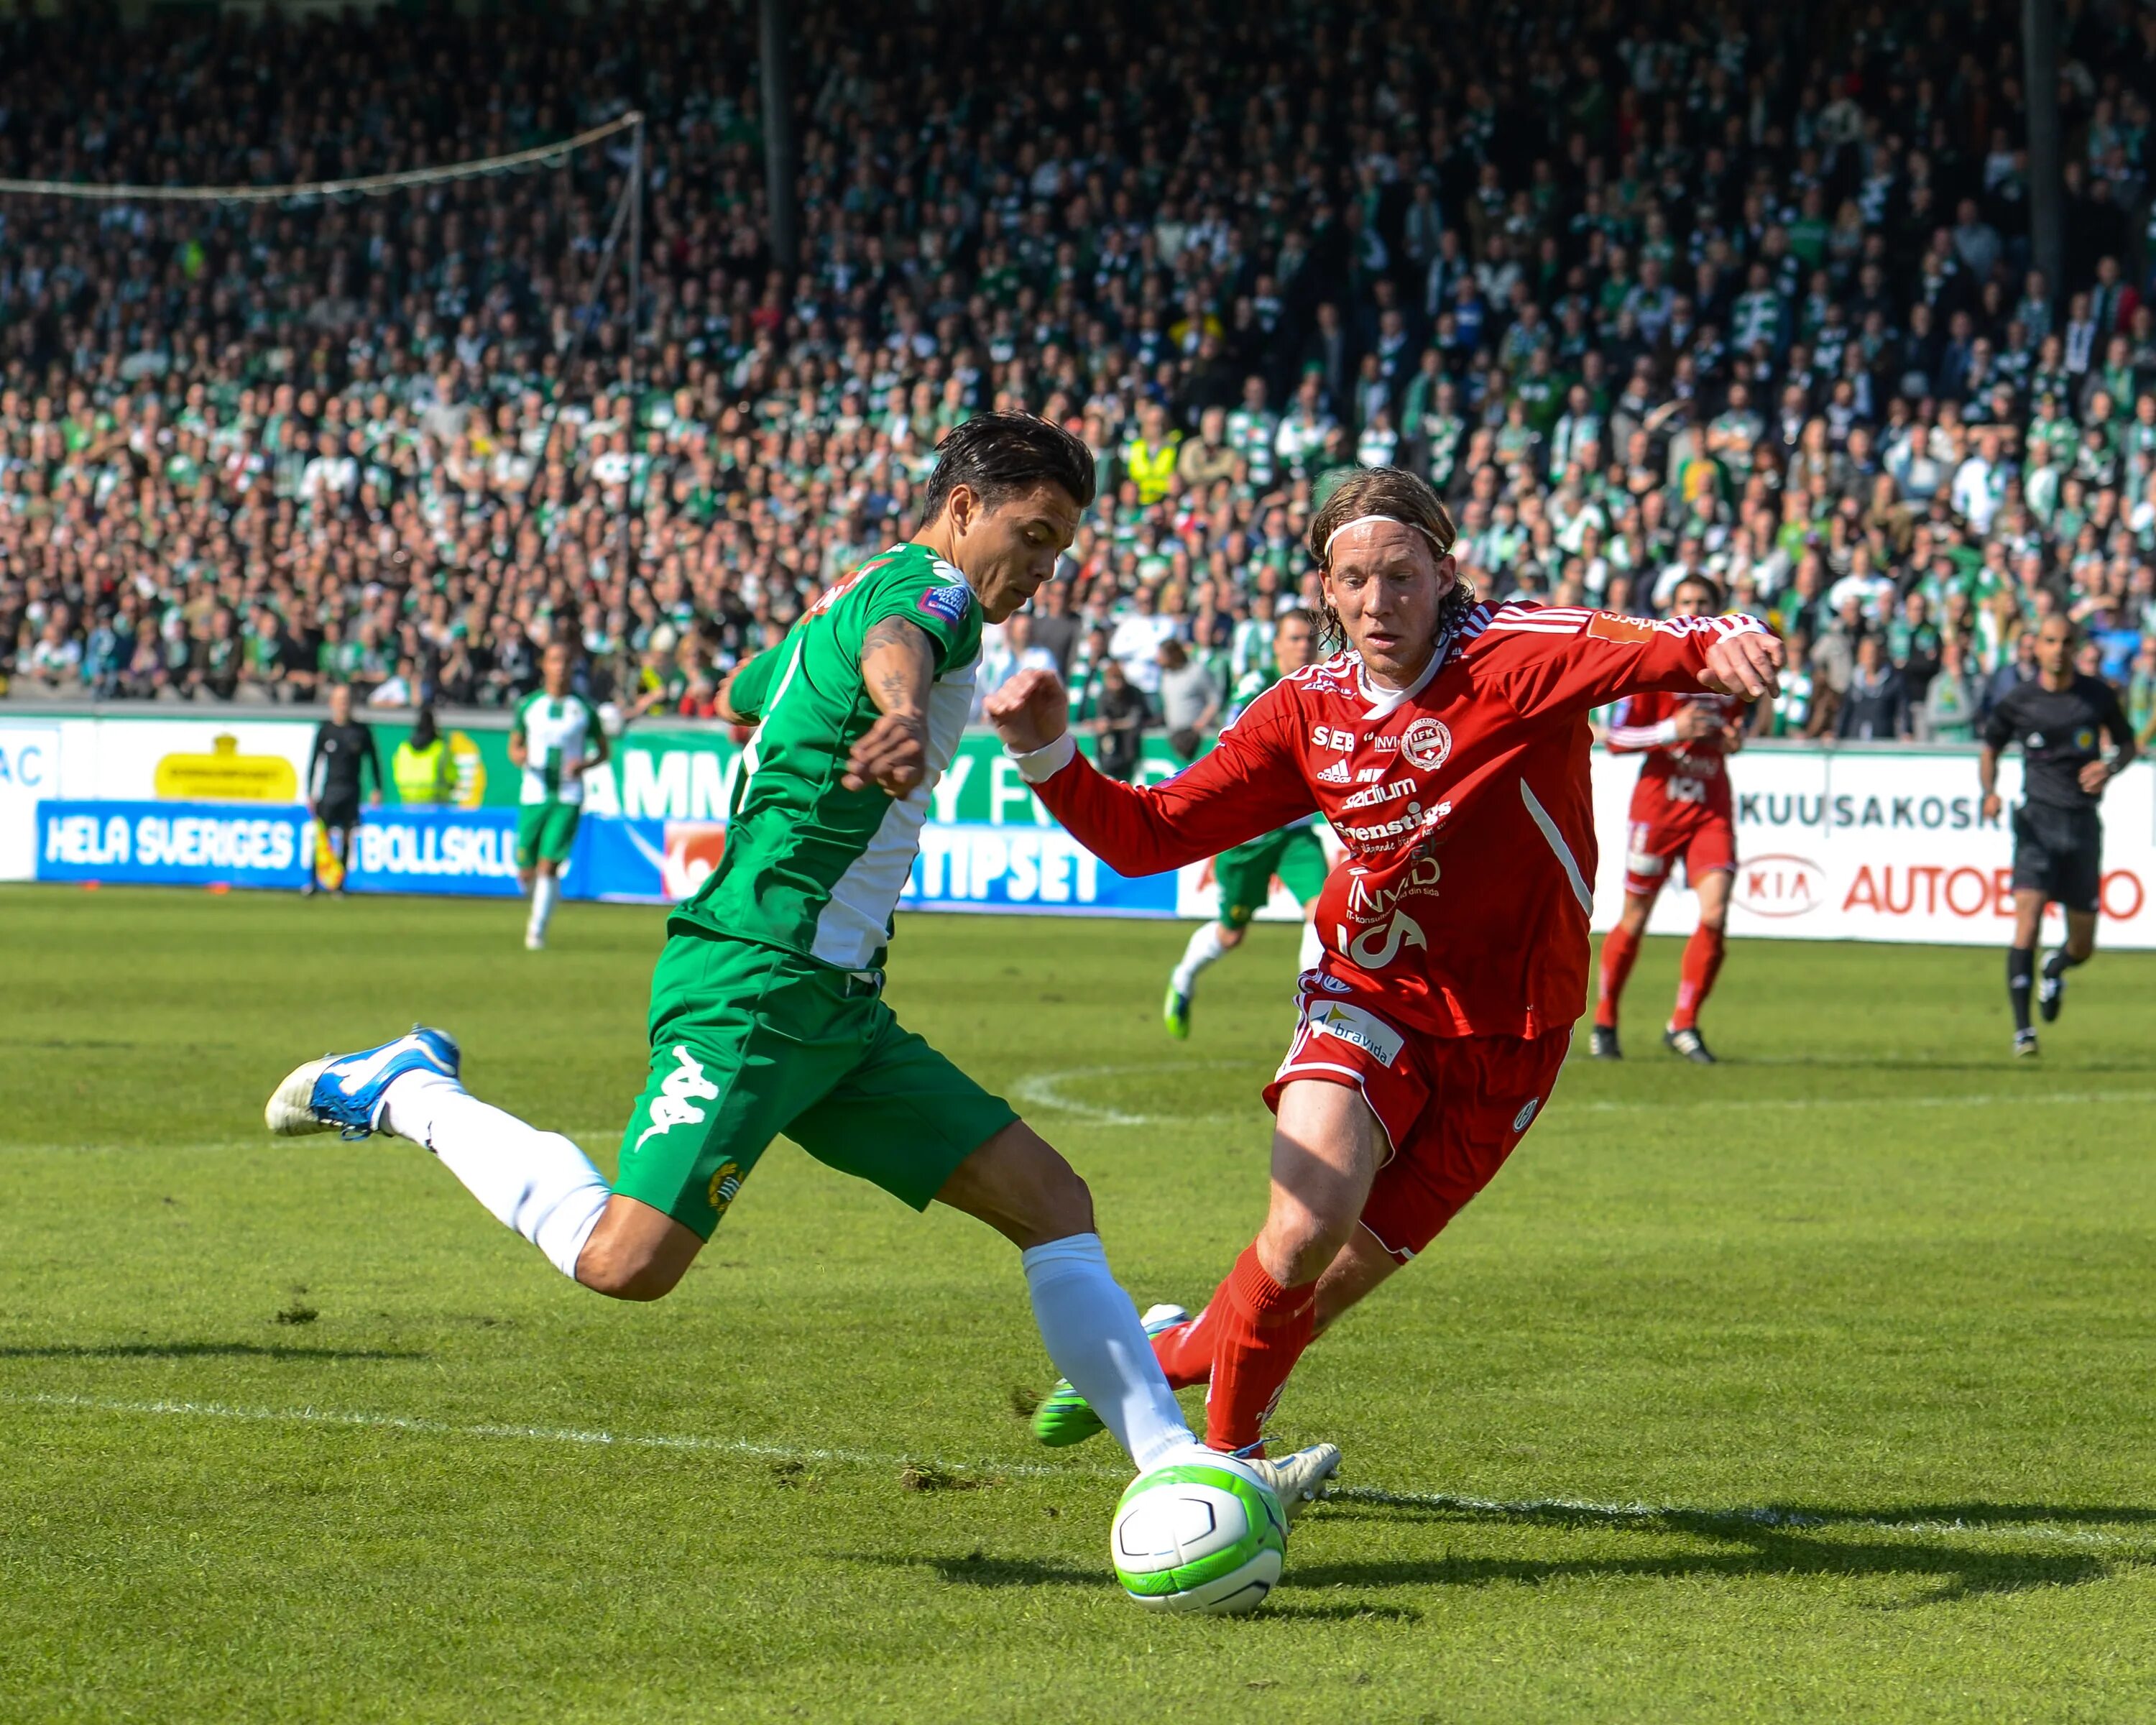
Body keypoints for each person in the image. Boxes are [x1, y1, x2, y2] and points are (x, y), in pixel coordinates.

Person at [263, 413, 1337, 1553]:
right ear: (965, 507)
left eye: (1062, 548)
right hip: (753, 984)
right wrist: (899, 710)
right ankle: (403, 1091)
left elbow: (744, 689)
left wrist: (828, 699)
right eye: (1033, 535)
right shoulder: (931, 593)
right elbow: (900, 645)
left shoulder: (860, 588)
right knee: (623, 1265)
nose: (1043, 570)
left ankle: (1182, 1471)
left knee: (1052, 1202)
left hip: (839, 1007)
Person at [986, 466, 1778, 1458]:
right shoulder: (1302, 713)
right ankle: (1225, 1475)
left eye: (1400, 576)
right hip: (1367, 993)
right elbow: (1149, 838)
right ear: (1325, 589)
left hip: (1514, 1032)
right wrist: (1047, 756)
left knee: (1309, 1297)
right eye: (1353, 580)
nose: (1377, 602)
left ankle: (1165, 1353)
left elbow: (1662, 642)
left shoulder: (1518, 654)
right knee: (1303, 1230)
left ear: (1443, 573)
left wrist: (1731, 635)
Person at [1590, 572, 1749, 1064]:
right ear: (1671, 607)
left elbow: (1746, 716)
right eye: (1686, 601)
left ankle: (1683, 1023)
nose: (1694, 609)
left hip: (1709, 803)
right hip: (1658, 805)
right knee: (1636, 917)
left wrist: (1733, 738)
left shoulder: (1731, 665)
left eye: (1704, 602)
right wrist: (1671, 729)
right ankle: (1605, 1021)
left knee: (1717, 912)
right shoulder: (1652, 664)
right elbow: (1612, 738)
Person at [1164, 609, 1329, 1039]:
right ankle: (1182, 980)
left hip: (1295, 832)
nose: (1303, 646)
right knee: (1231, 933)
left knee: (1321, 910)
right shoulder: (1259, 686)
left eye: (1309, 638)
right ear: (1275, 645)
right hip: (1249, 834)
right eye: (1293, 638)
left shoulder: (1330, 687)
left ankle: (1311, 1016)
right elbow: (1236, 738)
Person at [1979, 614, 2138, 1057]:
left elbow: (2127, 745)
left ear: (2075, 647)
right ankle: (2023, 1031)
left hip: (2082, 826)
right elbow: (1990, 747)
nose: (2059, 649)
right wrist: (1990, 792)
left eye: (2066, 642)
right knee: (2026, 923)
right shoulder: (2019, 701)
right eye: (2050, 641)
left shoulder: (2097, 696)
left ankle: (2058, 967)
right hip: (2037, 825)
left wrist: (2108, 767)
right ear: (2037, 646)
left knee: (2083, 944)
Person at [508, 640, 609, 950]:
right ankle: (547, 896)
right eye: (554, 661)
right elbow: (514, 746)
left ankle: (536, 931)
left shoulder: (583, 709)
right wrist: (521, 757)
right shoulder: (529, 706)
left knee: (548, 866)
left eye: (565, 661)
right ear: (544, 665)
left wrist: (585, 764)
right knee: (525, 870)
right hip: (534, 794)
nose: (560, 667)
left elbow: (603, 751)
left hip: (567, 796)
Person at [304, 683, 382, 897]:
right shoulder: (326, 730)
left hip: (351, 790)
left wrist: (377, 787)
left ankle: (340, 884)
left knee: (348, 837)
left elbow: (374, 760)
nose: (343, 705)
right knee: (322, 837)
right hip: (329, 790)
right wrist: (310, 791)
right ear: (332, 703)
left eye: (346, 701)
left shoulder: (361, 731)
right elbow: (314, 762)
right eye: (339, 701)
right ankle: (313, 882)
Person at [392, 705, 459, 806]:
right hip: (435, 800)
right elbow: (451, 775)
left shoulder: (404, 747)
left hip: (408, 798)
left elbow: (397, 768)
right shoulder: (440, 747)